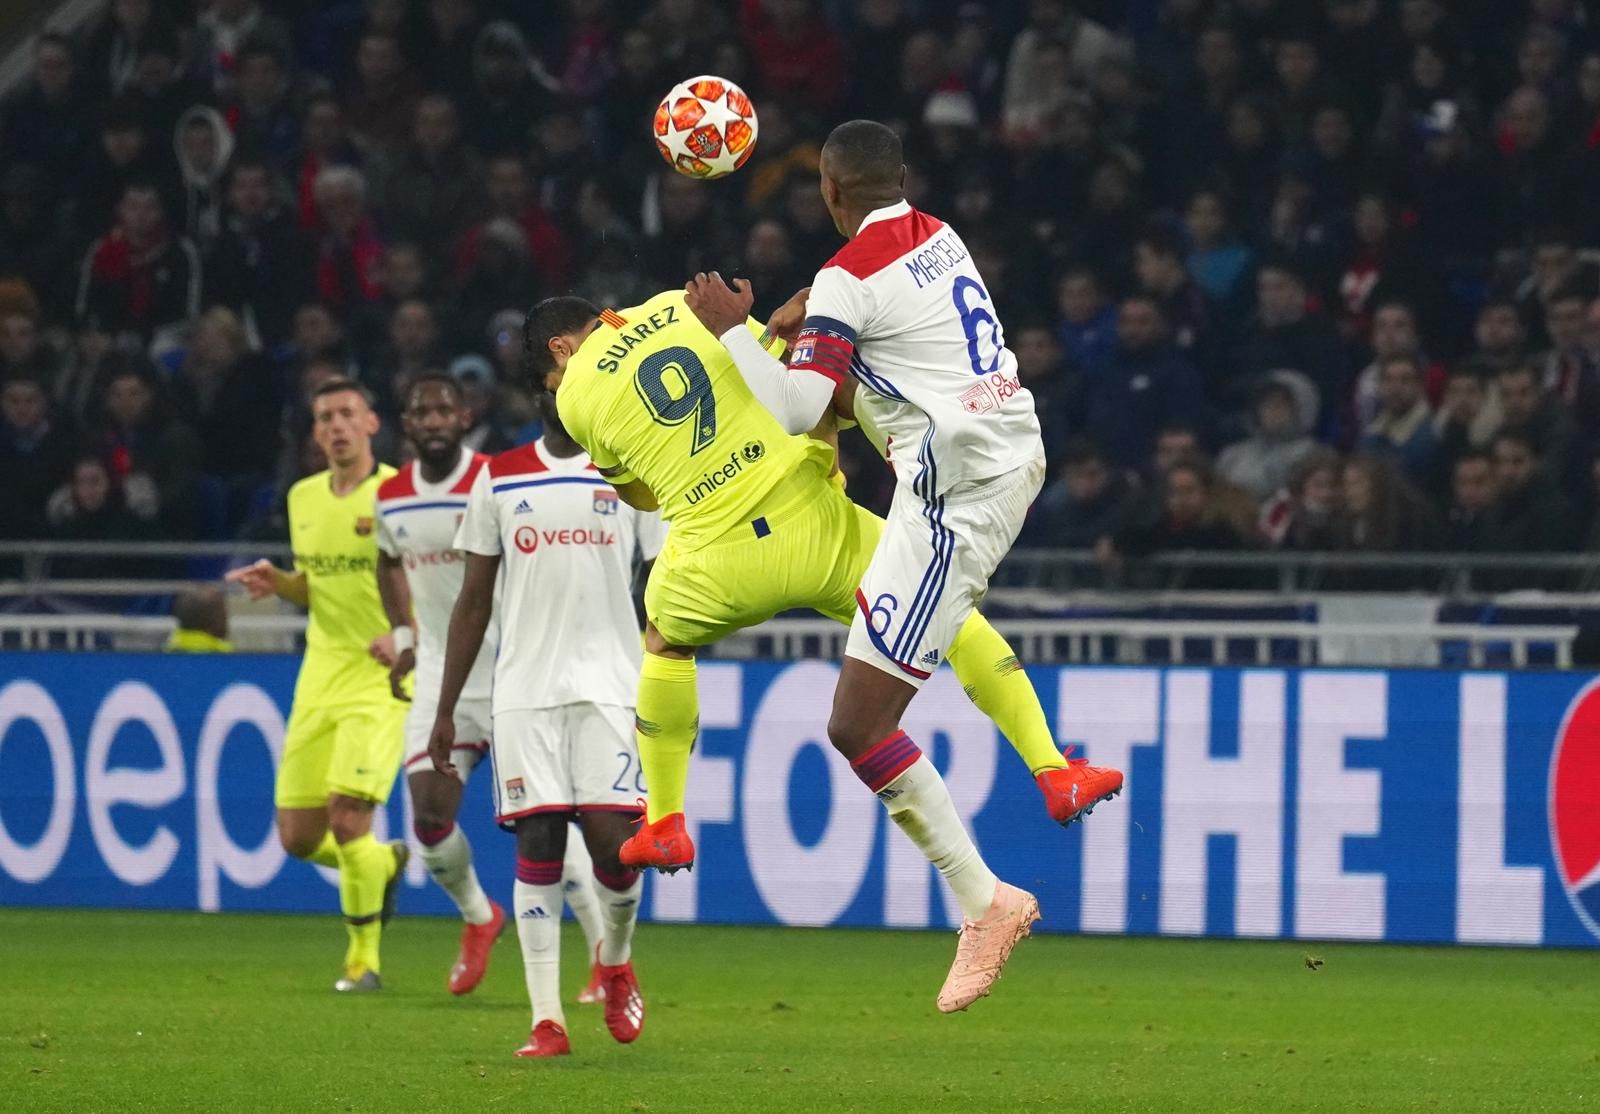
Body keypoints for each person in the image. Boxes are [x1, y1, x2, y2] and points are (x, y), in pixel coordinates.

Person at [542, 120, 1121, 1012]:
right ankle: (1049, 780)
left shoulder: (844, 282)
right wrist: (802, 326)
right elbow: (855, 361)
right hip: (990, 454)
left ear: (827, 190)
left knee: (854, 723)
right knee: (934, 638)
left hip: (951, 491)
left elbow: (794, 404)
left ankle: (986, 899)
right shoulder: (938, 234)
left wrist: (738, 331)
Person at [429, 385, 663, 1058]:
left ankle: (614, 961)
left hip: (612, 689)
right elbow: (473, 601)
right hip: (524, 692)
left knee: (613, 847)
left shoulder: (632, 470)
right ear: (539, 393)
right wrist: (445, 708)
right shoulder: (498, 478)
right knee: (537, 845)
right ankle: (546, 1020)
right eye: (564, 382)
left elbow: (666, 581)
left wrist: (671, 685)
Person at [374, 375, 607, 1002]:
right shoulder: (391, 496)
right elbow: (389, 559)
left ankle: (601, 957)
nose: (433, 419)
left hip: (513, 674)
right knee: (426, 819)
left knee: (550, 821)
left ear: (465, 415)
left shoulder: (497, 478)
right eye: (421, 410)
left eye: (444, 408)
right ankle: (480, 917)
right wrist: (401, 636)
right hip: (440, 679)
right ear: (407, 422)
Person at [224, 378, 410, 993]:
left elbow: (436, 584)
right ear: (314, 432)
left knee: (350, 819)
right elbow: (318, 584)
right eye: (324, 416)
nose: (335, 426)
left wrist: (407, 638)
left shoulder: (398, 495)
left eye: (346, 415)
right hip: (320, 675)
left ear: (371, 424)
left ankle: (364, 961)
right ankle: (382, 864)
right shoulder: (303, 497)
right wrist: (279, 582)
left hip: (381, 678)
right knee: (299, 838)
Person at [165, 585, 233, 652]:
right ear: (213, 621)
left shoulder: (169, 647)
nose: (226, 621)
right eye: (223, 615)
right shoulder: (224, 652)